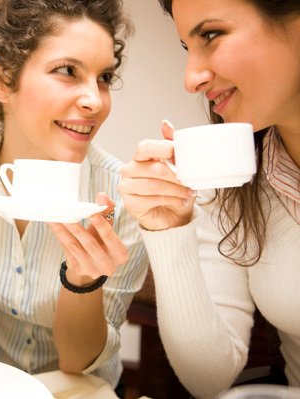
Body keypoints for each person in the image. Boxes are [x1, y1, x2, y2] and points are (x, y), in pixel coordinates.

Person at [0, 0, 149, 390]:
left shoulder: (119, 194)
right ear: (3, 81)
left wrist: (83, 281)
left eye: (104, 77)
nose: (95, 101)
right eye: (68, 71)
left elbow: (78, 363)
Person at [117, 0, 300, 397]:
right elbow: (208, 378)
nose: (191, 79)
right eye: (187, 47)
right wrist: (169, 230)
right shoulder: (233, 174)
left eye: (211, 36)